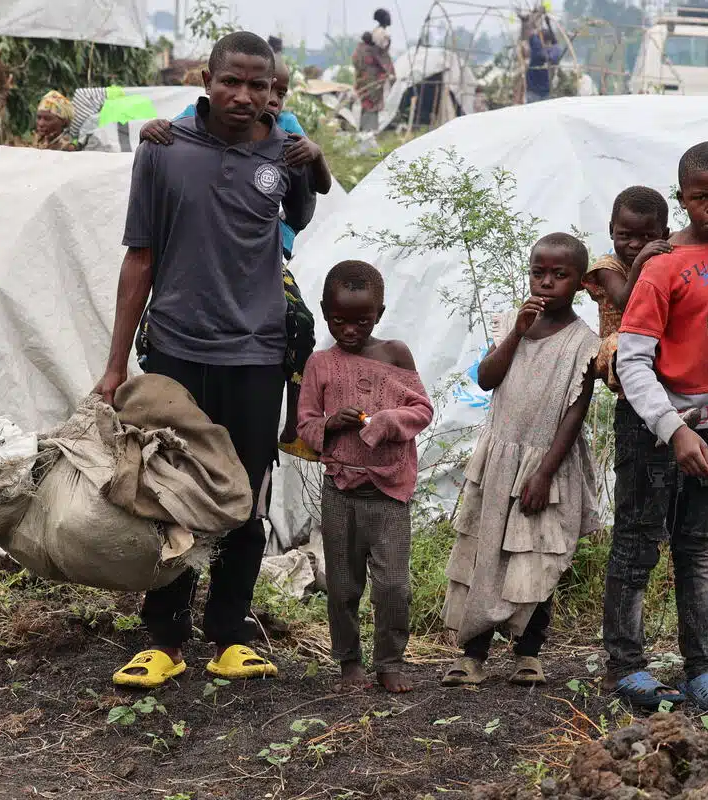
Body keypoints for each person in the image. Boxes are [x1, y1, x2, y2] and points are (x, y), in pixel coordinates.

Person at [97, 31, 317, 689]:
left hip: (256, 352)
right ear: (205, 79)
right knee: (167, 489)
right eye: (232, 82)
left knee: (245, 492)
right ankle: (164, 637)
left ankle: (229, 630)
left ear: (273, 88)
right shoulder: (163, 152)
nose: (244, 96)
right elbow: (140, 257)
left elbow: (300, 216)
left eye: (259, 84)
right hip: (175, 349)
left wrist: (307, 160)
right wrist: (115, 366)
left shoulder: (283, 153)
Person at [603, 141, 708, 714]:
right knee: (637, 545)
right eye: (702, 197)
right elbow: (631, 360)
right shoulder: (661, 267)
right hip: (654, 425)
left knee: (697, 547)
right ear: (683, 200)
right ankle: (626, 666)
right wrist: (674, 431)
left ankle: (703, 665)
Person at [138, 57, 333, 461]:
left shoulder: (289, 135)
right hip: (188, 310)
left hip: (267, 267)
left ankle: (296, 418)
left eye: (274, 91)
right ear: (209, 83)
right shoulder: (190, 122)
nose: (267, 100)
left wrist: (315, 155)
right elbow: (172, 134)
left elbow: (315, 193)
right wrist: (148, 129)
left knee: (300, 322)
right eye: (232, 83)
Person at [440, 232, 600, 688]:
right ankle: (472, 655)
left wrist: (544, 473)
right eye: (538, 273)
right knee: (483, 552)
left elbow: (574, 414)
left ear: (580, 282)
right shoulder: (511, 324)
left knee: (535, 556)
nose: (546, 283)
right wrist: (516, 332)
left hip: (546, 464)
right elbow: (488, 379)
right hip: (498, 460)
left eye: (559, 275)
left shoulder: (583, 343)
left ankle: (529, 653)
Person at [295, 260, 433, 694]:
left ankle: (389, 661)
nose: (350, 329)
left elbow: (422, 410)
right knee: (342, 583)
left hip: (389, 490)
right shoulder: (319, 364)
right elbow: (305, 425)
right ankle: (348, 662)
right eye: (339, 320)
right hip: (341, 489)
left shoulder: (396, 354)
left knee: (392, 584)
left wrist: (389, 419)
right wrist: (332, 423)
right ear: (323, 311)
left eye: (362, 320)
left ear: (380, 312)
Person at [583, 186, 708, 477]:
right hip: (618, 352)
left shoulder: (670, 253)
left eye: (647, 237)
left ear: (664, 234)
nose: (635, 244)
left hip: (657, 351)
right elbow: (625, 299)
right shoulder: (607, 267)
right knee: (625, 347)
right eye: (625, 235)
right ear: (611, 230)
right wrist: (643, 263)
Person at [353, 10, 396, 133]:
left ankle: (368, 130)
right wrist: (388, 70)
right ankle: (369, 131)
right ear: (382, 18)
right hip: (372, 76)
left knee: (370, 102)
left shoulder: (378, 32)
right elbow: (380, 54)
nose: (390, 18)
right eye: (387, 16)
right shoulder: (380, 34)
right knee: (371, 102)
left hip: (372, 76)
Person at [525, 19, 562, 104]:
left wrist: (535, 23)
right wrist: (548, 24)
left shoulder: (538, 50)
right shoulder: (555, 51)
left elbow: (532, 37)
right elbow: (555, 42)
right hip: (546, 91)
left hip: (534, 92)